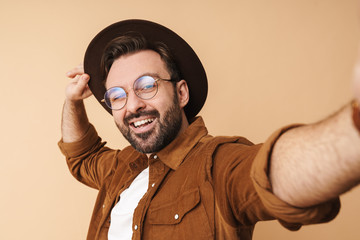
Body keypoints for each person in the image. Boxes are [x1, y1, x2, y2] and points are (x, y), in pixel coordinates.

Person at [58, 19, 360, 240]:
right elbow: (81, 157)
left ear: (181, 93)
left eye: (147, 85)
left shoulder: (219, 165)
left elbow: (272, 173)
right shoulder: (121, 168)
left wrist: (353, 129)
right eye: (117, 96)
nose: (132, 105)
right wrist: (73, 101)